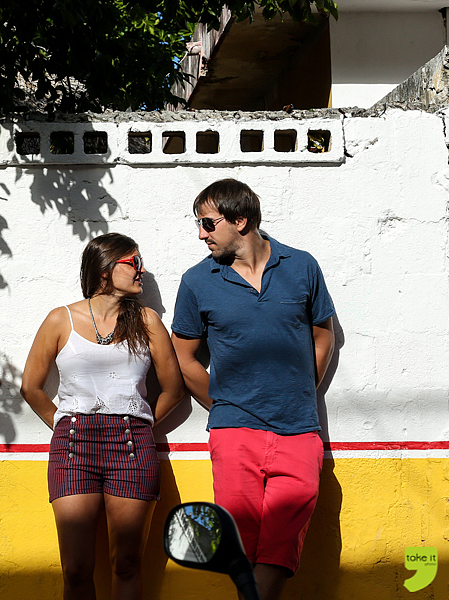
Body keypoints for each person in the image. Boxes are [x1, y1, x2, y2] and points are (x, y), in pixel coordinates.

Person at [170, 179, 335, 600]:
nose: (201, 234)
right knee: (241, 546)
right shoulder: (197, 281)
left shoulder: (301, 266)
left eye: (208, 223)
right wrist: (224, 403)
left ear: (240, 219)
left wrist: (299, 389)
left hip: (299, 430)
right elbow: (184, 358)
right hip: (234, 432)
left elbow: (323, 336)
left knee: (281, 548)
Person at [20, 233, 185, 600]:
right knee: (76, 569)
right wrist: (67, 424)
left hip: (131, 446)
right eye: (133, 263)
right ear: (106, 269)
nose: (141, 270)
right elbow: (31, 387)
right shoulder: (59, 319)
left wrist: (135, 420)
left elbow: (174, 390)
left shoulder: (147, 321)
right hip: (73, 447)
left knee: (126, 562)